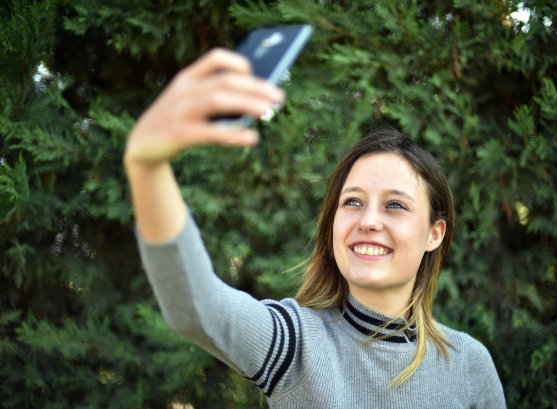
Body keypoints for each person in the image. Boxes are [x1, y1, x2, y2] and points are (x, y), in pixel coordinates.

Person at [125, 48, 506, 408]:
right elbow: (197, 307)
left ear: (433, 234)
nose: (368, 221)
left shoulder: (470, 366)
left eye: (395, 205)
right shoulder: (295, 344)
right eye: (352, 201)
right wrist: (147, 168)